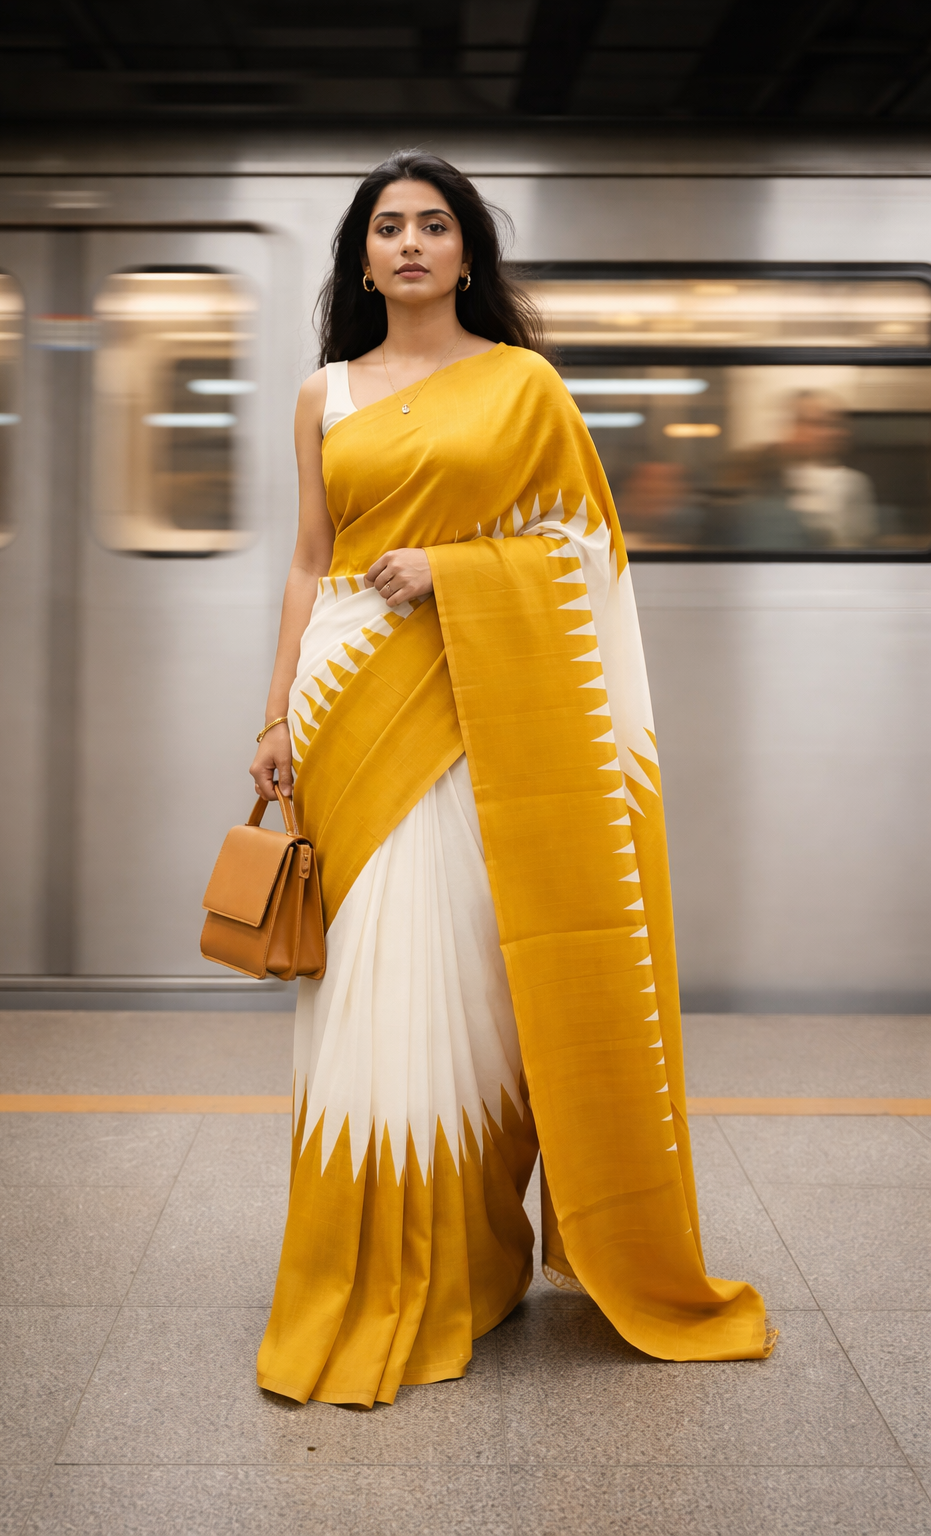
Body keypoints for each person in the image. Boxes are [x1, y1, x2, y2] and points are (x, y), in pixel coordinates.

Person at [250, 150, 774, 1408]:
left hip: (483, 718)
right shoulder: (323, 395)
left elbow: (586, 555)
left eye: (435, 225)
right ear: (362, 258)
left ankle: (471, 1266)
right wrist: (272, 714)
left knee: (469, 997)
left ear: (467, 255)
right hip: (349, 710)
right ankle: (366, 1266)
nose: (413, 244)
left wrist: (457, 573)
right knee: (369, 995)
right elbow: (311, 562)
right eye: (390, 228)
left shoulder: (524, 386)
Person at [703, 390, 878, 550]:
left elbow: (858, 543)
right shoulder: (752, 471)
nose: (830, 433)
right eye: (817, 424)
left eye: (835, 425)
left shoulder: (851, 484)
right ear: (791, 427)